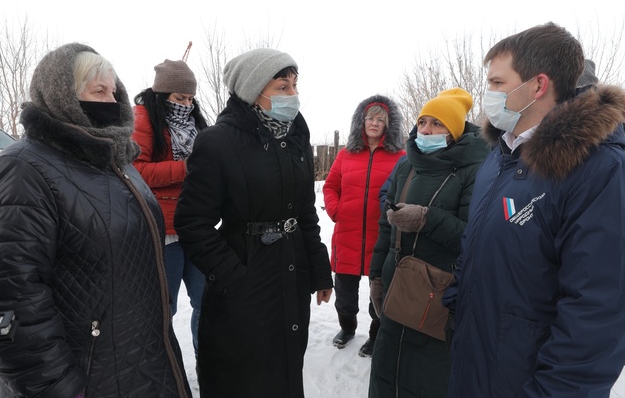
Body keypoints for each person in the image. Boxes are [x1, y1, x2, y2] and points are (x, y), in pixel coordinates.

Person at [442, 22, 625, 397]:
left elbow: (596, 311)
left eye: (496, 83)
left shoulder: (599, 169)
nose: (487, 95)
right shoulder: (501, 156)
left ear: (538, 86)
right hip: (476, 365)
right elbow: (478, 246)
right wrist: (456, 306)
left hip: (529, 382)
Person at [0, 43, 192, 397]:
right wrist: (58, 387)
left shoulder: (117, 159)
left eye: (113, 90)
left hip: (144, 361)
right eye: (98, 91)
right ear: (62, 96)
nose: (112, 100)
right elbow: (15, 296)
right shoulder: (25, 167)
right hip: (89, 375)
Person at [174, 48, 333, 397]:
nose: (293, 94)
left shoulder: (295, 137)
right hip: (244, 278)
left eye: (294, 85)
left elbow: (305, 211)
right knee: (244, 376)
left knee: (286, 370)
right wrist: (234, 278)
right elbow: (193, 222)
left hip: (292, 273)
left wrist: (320, 269)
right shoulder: (218, 142)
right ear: (253, 89)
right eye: (282, 86)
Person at [368, 88, 489, 398]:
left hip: (438, 293)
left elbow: (475, 240)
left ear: (454, 131)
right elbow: (386, 226)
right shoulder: (406, 166)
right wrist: (377, 277)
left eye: (438, 124)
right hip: (397, 285)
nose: (426, 130)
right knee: (386, 373)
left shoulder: (475, 171)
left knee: (426, 379)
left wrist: (427, 219)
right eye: (423, 122)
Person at [132, 59, 208, 355]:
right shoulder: (144, 119)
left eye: (190, 98)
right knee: (165, 308)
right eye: (179, 98)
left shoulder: (196, 124)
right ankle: (159, 369)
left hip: (197, 225)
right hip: (165, 231)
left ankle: (208, 365)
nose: (186, 104)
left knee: (208, 301)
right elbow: (136, 171)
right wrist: (185, 168)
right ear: (162, 95)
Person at [322, 95, 405, 356]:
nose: (374, 123)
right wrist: (336, 210)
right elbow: (330, 186)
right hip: (346, 235)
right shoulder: (346, 154)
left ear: (388, 125)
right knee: (345, 296)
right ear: (361, 120)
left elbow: (405, 190)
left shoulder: (400, 156)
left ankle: (375, 336)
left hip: (380, 237)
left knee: (377, 296)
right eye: (370, 118)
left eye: (381, 119)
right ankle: (347, 328)